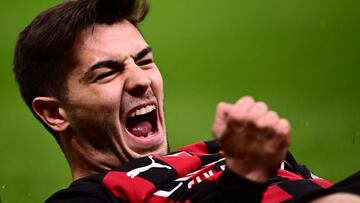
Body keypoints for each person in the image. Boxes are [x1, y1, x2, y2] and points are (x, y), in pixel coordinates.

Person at [13, 0, 360, 202]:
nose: (140, 79)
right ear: (55, 113)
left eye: (145, 60)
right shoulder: (89, 198)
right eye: (107, 72)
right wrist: (242, 184)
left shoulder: (225, 151)